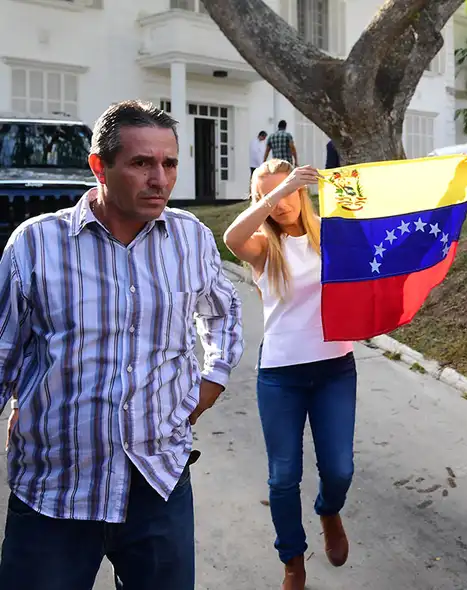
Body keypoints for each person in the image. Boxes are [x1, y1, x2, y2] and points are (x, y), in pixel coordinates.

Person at [0, 99, 245, 589]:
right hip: (56, 491)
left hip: (158, 483)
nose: (160, 179)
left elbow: (224, 314)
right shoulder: (35, 245)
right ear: (100, 166)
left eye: (169, 163)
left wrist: (210, 383)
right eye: (141, 163)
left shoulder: (192, 239)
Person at [223, 159, 357, 590]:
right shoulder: (264, 247)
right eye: (268, 196)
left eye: (287, 192)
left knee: (339, 469)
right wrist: (276, 194)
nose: (281, 204)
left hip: (335, 366)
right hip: (281, 375)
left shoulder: (331, 234)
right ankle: (293, 560)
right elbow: (231, 237)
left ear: (303, 191)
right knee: (283, 476)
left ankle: (329, 510)